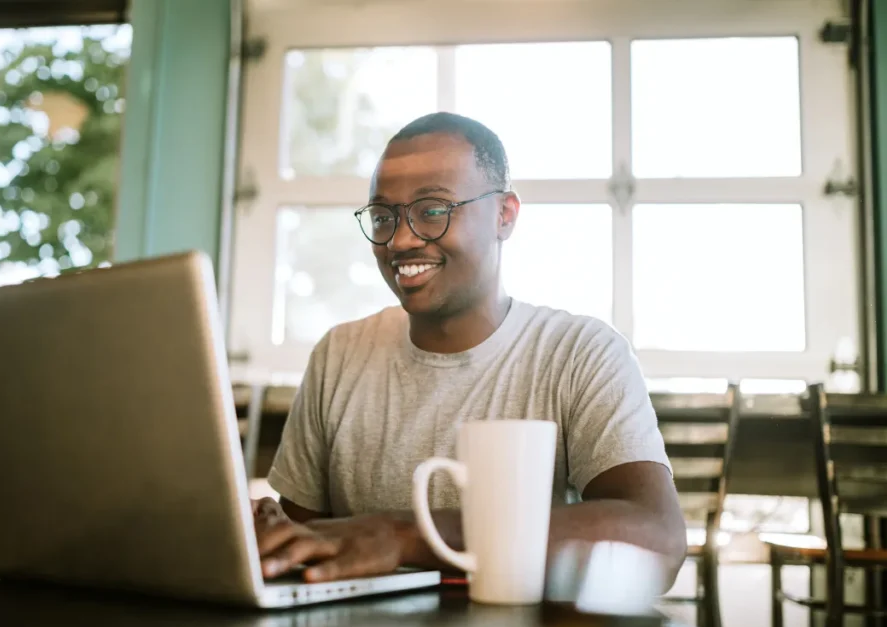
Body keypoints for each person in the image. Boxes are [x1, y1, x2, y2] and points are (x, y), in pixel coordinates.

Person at [253, 112, 686, 591]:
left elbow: (657, 540)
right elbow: (304, 548)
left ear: (505, 216)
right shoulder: (339, 355)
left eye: (432, 211)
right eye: (382, 217)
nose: (399, 239)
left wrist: (406, 534)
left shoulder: (580, 354)